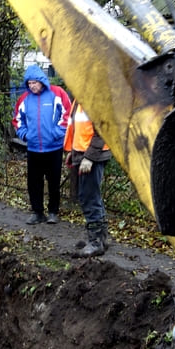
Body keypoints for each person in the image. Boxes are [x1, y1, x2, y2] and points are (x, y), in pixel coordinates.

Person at [12, 64, 70, 225]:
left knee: (54, 182)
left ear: (42, 81)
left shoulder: (57, 93)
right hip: (34, 148)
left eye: (35, 83)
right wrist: (25, 135)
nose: (32, 86)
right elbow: (17, 120)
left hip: (54, 148)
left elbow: (66, 114)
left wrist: (57, 134)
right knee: (34, 183)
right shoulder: (24, 99)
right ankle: (37, 212)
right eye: (29, 83)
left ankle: (53, 212)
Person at [63, 102, 111, 256]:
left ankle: (95, 242)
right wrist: (73, 151)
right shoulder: (80, 97)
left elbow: (103, 130)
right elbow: (78, 128)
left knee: (88, 196)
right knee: (91, 195)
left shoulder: (95, 97)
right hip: (83, 153)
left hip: (91, 156)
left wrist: (89, 158)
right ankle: (102, 238)